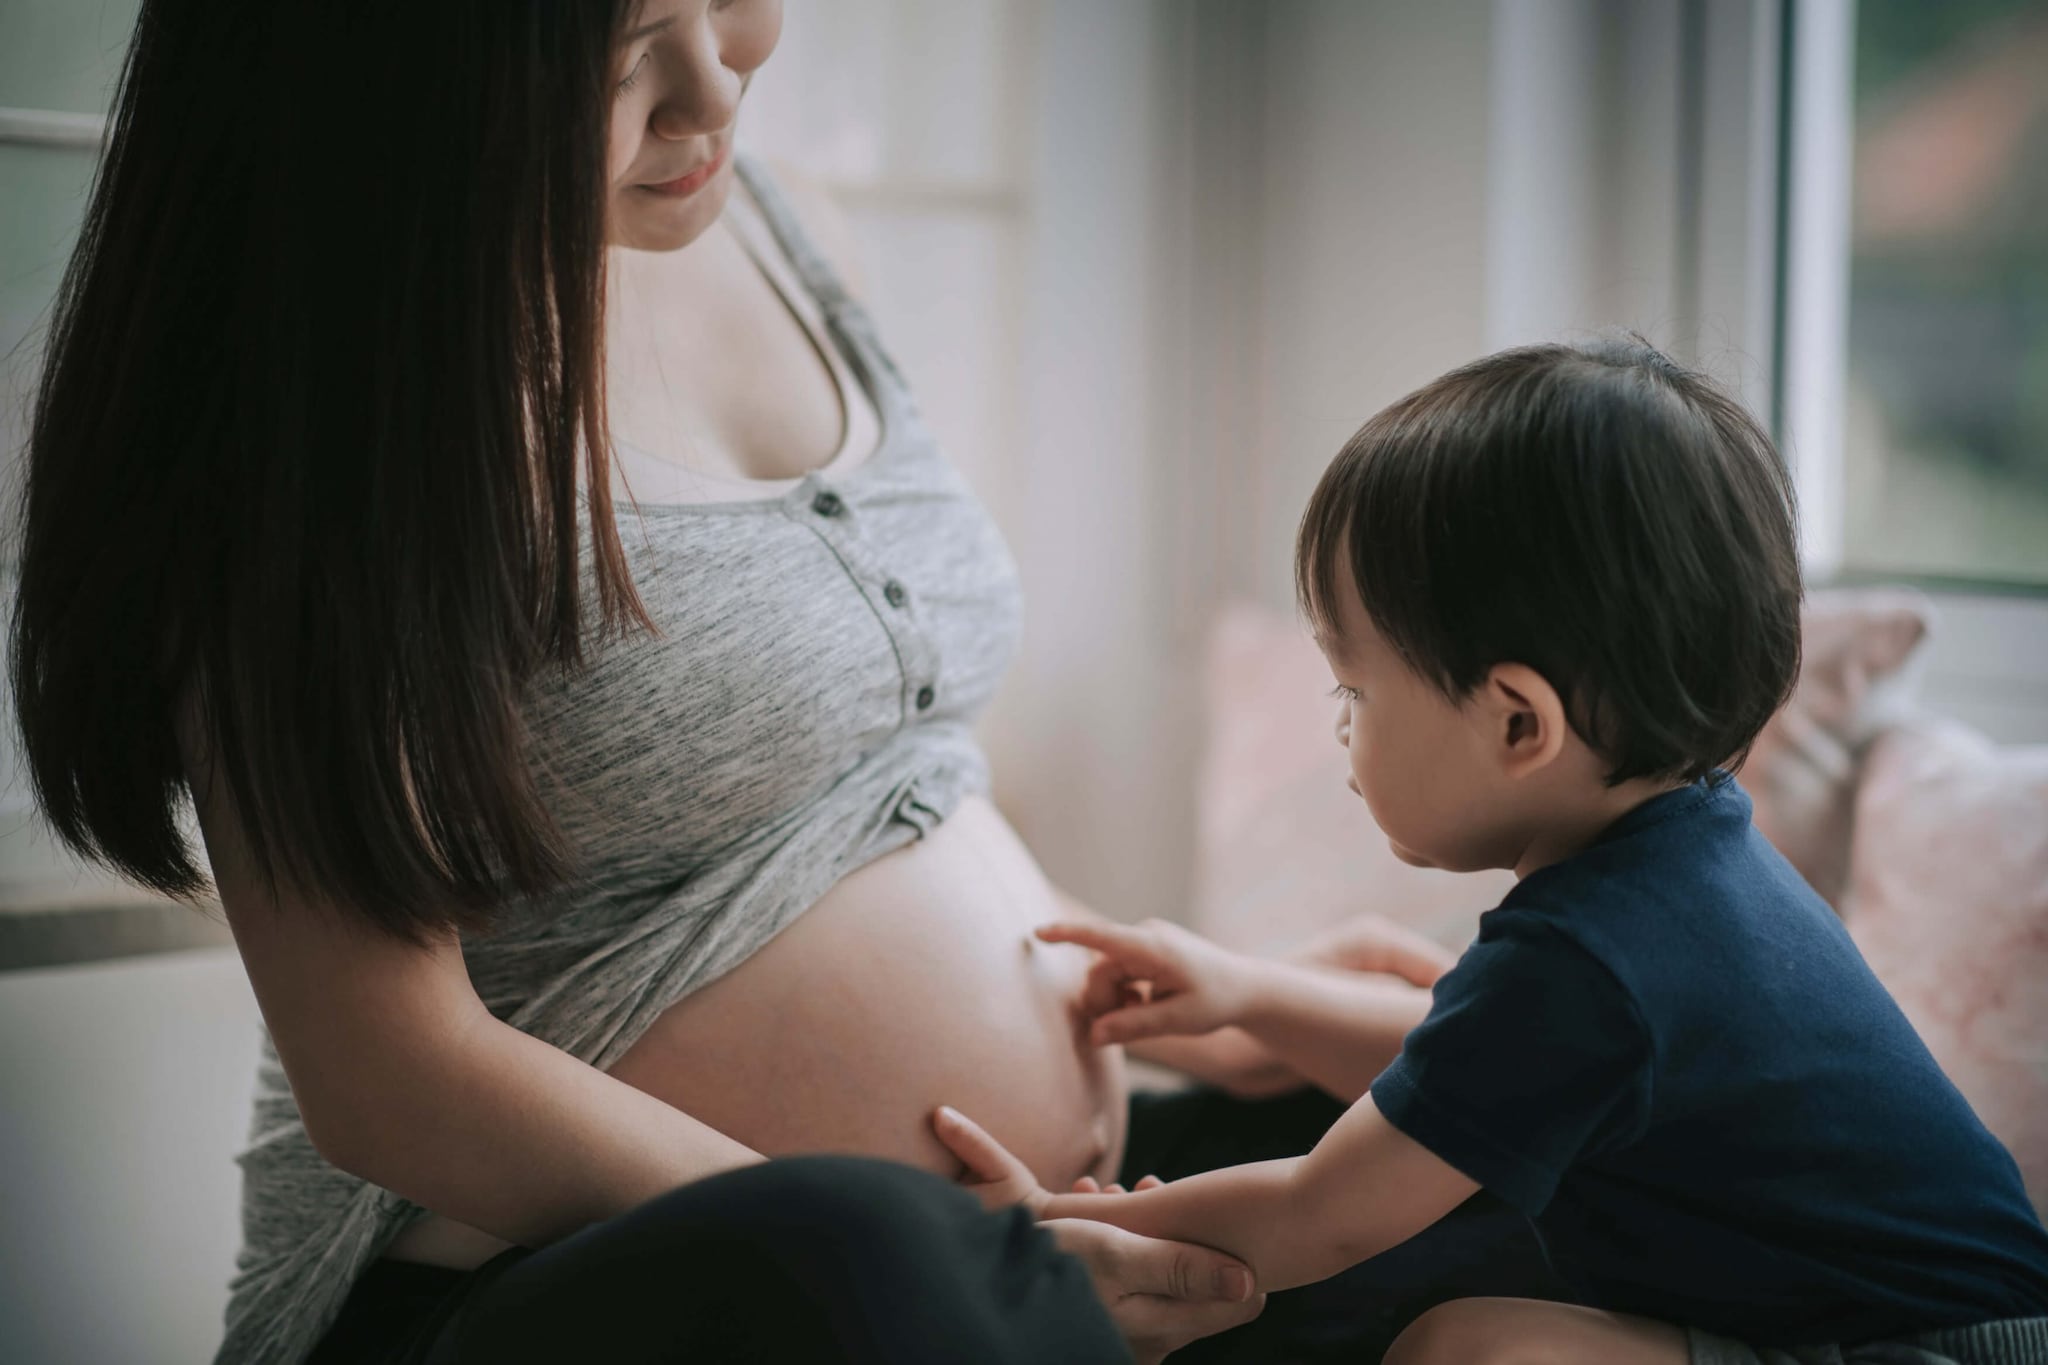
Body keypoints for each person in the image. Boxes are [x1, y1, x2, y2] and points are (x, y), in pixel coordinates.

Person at [9, 3, 1555, 1362]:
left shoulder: (769, 221)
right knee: (871, 1261)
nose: (714, 91)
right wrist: (961, 1256)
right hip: (575, 1291)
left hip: (1014, 1229)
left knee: (1460, 1122)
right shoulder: (317, 410)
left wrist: (1193, 1007)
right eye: (619, 59)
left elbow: (869, 789)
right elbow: (388, 1076)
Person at [933, 340, 2048, 1365]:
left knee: (1469, 1348)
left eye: (1353, 687)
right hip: (1944, 1324)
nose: (1339, 725)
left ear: (1518, 724)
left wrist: (1054, 1238)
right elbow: (1466, 1067)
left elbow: (1317, 1215)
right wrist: (1248, 994)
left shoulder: (1598, 949)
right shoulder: (1679, 861)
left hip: (1934, 1354)